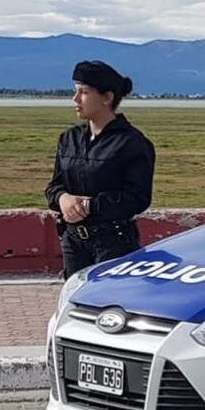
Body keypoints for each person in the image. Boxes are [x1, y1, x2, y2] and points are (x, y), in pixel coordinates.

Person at [45, 60, 155, 279]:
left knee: (109, 305)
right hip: (73, 241)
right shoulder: (69, 139)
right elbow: (54, 186)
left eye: (83, 93)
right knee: (75, 301)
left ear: (107, 98)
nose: (75, 100)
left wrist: (89, 206)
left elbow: (138, 197)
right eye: (75, 92)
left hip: (113, 242)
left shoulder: (133, 143)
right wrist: (63, 198)